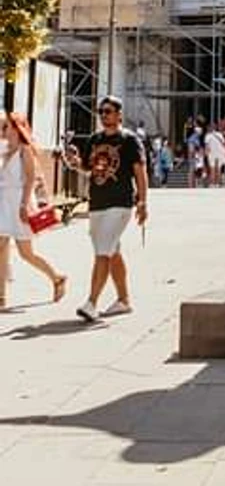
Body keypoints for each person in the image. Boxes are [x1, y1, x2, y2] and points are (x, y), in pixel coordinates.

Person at [64, 95, 148, 322]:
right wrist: (74, 163)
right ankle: (124, 300)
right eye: (100, 111)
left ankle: (91, 303)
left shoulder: (129, 140)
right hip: (97, 202)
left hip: (120, 203)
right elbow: (89, 169)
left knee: (102, 252)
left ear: (119, 114)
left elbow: (140, 172)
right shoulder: (94, 139)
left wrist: (142, 201)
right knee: (111, 251)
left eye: (108, 111)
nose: (103, 115)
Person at [0, 111, 67, 309]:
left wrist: (23, 205)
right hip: (4, 203)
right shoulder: (4, 149)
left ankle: (56, 277)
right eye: (3, 127)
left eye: (7, 127)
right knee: (1, 247)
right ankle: (1, 297)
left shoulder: (24, 149)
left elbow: (30, 179)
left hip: (20, 202)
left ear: (17, 128)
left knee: (25, 253)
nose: (4, 130)